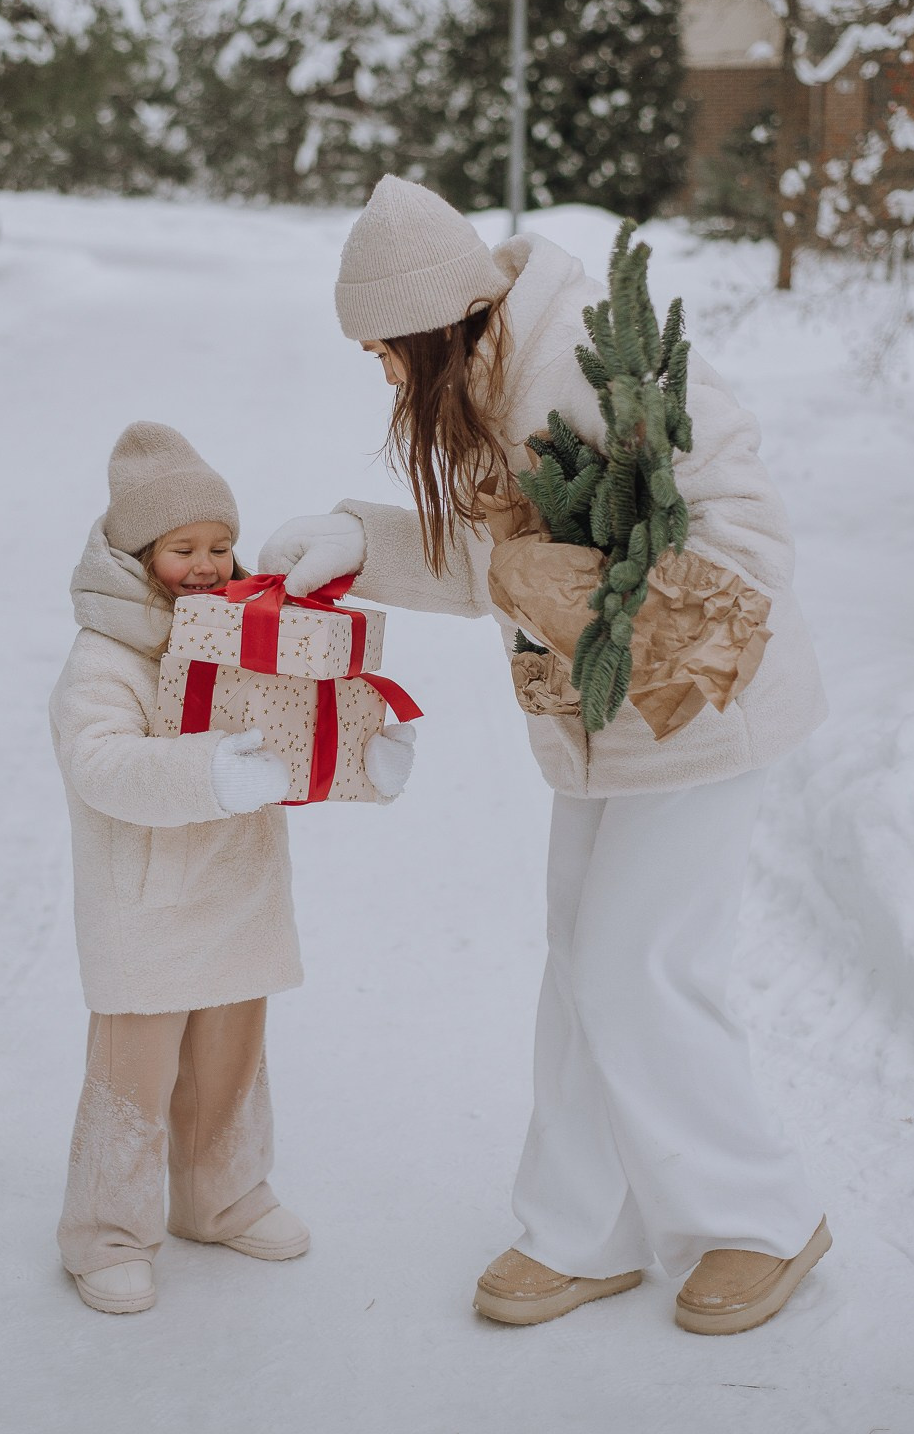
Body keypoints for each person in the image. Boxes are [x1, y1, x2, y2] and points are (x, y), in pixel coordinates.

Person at [259, 176, 831, 1336]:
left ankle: (760, 1219)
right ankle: (582, 1231)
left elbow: (746, 526)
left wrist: (617, 600)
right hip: (598, 728)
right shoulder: (484, 379)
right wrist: (356, 546)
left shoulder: (588, 360)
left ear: (429, 322)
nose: (380, 375)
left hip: (695, 714)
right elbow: (494, 567)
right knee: (580, 965)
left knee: (636, 967)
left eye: (382, 351)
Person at [50, 421, 415, 1313]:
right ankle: (106, 1231)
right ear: (138, 556)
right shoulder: (106, 658)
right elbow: (100, 766)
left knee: (231, 1063)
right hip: (147, 903)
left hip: (236, 890)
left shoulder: (246, 632)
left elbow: (295, 726)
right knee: (134, 1076)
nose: (209, 563)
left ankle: (223, 1197)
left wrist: (364, 758)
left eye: (220, 543)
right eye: (183, 548)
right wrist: (205, 771)